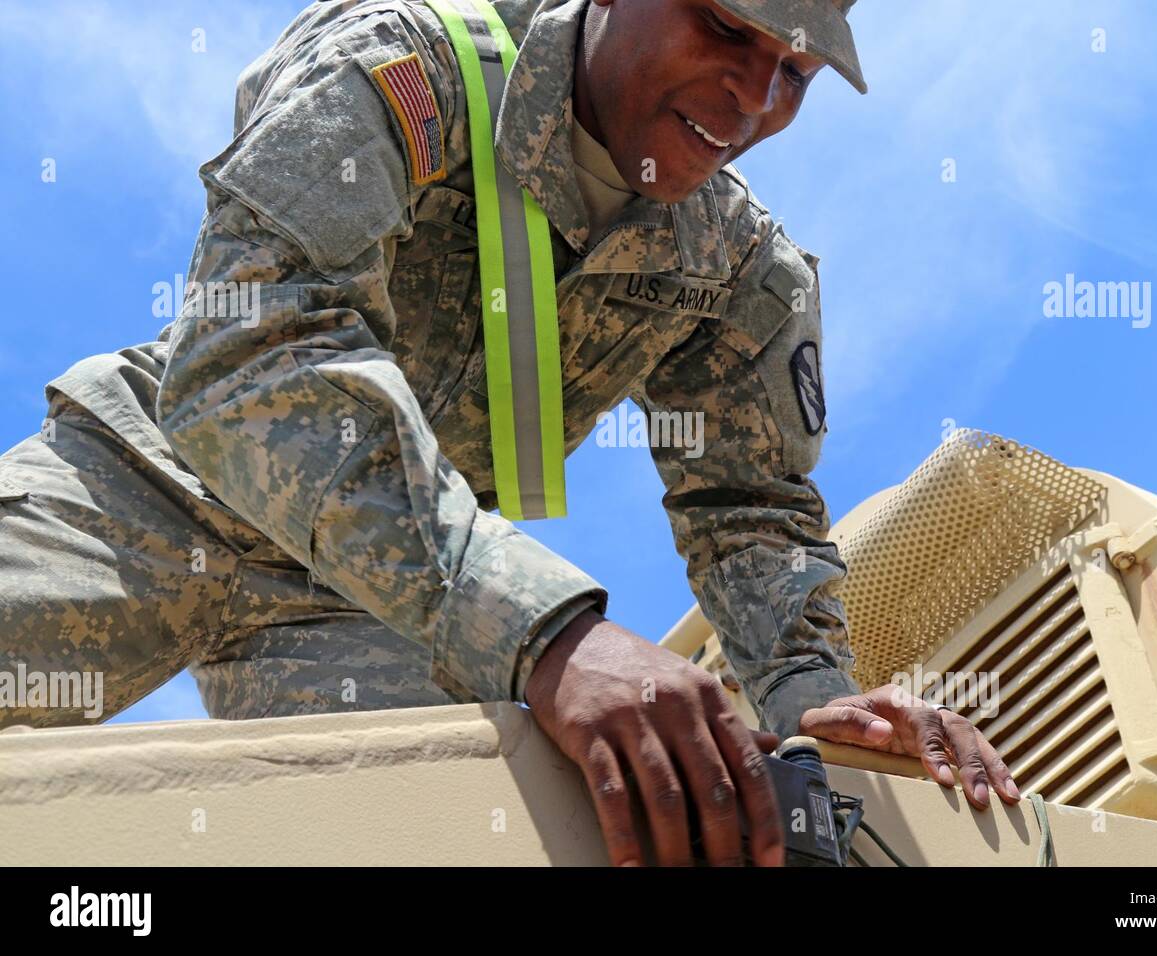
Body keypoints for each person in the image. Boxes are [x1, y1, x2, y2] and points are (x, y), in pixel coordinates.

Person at [0, 0, 1018, 865]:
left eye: (794, 72)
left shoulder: (739, 269)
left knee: (457, 840)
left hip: (370, 598)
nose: (753, 98)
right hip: (145, 488)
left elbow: (748, 510)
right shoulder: (409, 66)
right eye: (724, 28)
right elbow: (249, 354)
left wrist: (815, 704)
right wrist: (548, 633)